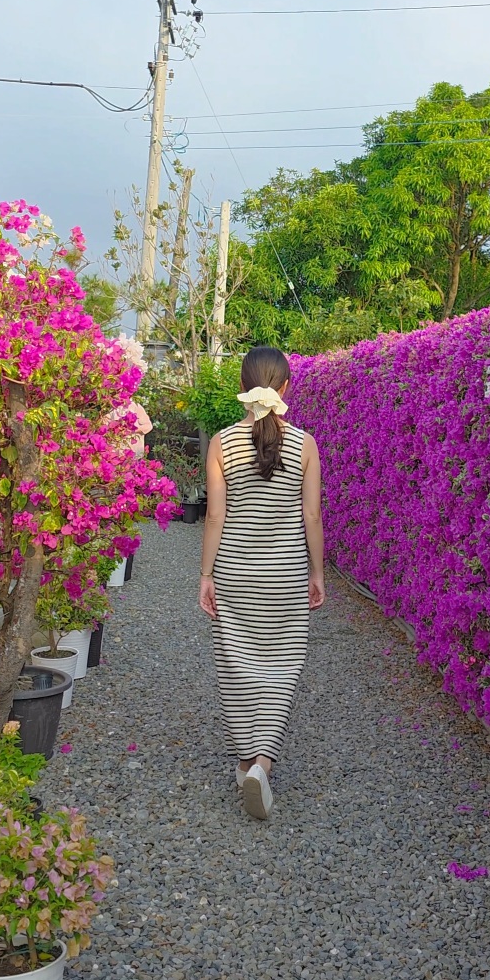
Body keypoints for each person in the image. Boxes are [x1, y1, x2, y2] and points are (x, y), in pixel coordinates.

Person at [198, 345, 325, 820]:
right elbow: (311, 515)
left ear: (243, 383)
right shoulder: (305, 444)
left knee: (237, 664)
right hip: (287, 573)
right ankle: (263, 763)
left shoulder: (222, 442)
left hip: (235, 571)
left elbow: (215, 514)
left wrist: (206, 574)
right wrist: (317, 571)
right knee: (282, 666)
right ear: (286, 387)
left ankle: (247, 758)